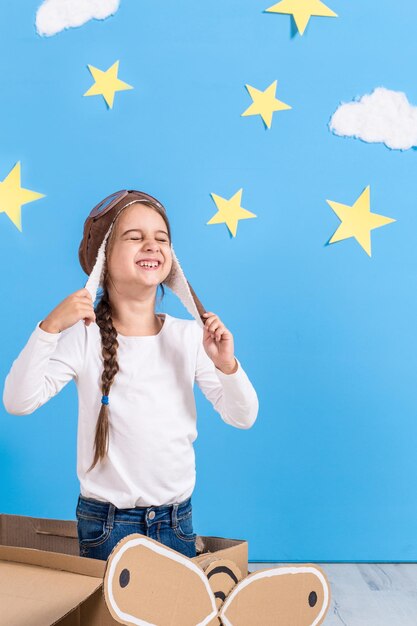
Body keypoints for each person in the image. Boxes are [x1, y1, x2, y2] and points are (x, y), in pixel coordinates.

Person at [3, 189, 259, 561]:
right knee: (110, 621)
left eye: (161, 239)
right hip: (106, 526)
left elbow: (243, 416)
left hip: (176, 522)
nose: (151, 246)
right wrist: (50, 327)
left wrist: (226, 364)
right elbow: (17, 401)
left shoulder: (191, 338)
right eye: (135, 237)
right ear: (104, 259)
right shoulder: (83, 337)